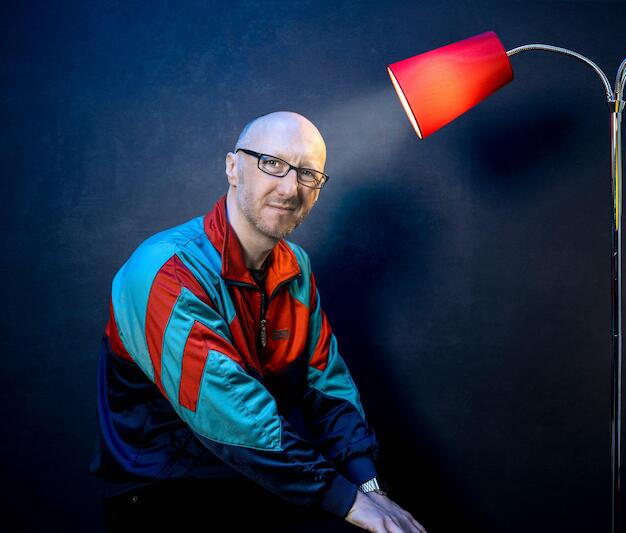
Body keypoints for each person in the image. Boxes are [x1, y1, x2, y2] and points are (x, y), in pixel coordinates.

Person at [90, 112, 426, 533]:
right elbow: (233, 415)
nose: (290, 188)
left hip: (257, 488)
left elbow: (325, 385)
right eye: (272, 163)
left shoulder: (294, 267)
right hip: (163, 495)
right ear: (233, 168)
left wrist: (369, 485)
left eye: (307, 173)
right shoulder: (164, 271)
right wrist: (349, 500)